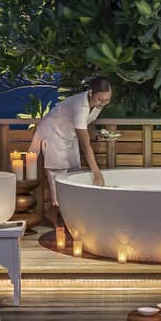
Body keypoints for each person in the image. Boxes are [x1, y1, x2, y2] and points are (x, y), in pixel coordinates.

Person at [29, 78, 114, 227]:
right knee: (58, 175)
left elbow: (88, 124)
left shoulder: (98, 103)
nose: (103, 102)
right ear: (91, 93)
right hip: (54, 134)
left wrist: (96, 135)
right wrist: (97, 173)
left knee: (74, 172)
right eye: (100, 99)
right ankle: (54, 214)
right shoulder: (80, 107)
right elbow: (85, 144)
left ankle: (68, 215)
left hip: (69, 135)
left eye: (107, 100)